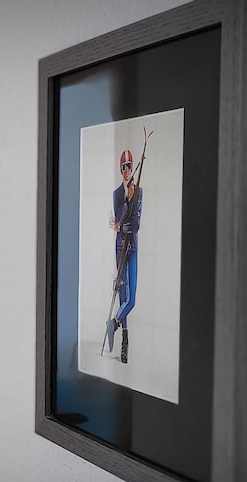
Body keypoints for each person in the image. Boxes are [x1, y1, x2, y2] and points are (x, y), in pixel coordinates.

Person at [107, 148, 143, 363]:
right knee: (123, 295)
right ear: (120, 170)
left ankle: (113, 323)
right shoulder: (116, 194)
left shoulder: (139, 191)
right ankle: (124, 343)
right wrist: (127, 202)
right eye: (124, 167)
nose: (127, 170)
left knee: (132, 300)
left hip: (133, 249)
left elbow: (135, 225)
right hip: (120, 248)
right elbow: (119, 218)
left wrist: (121, 227)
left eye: (130, 166)